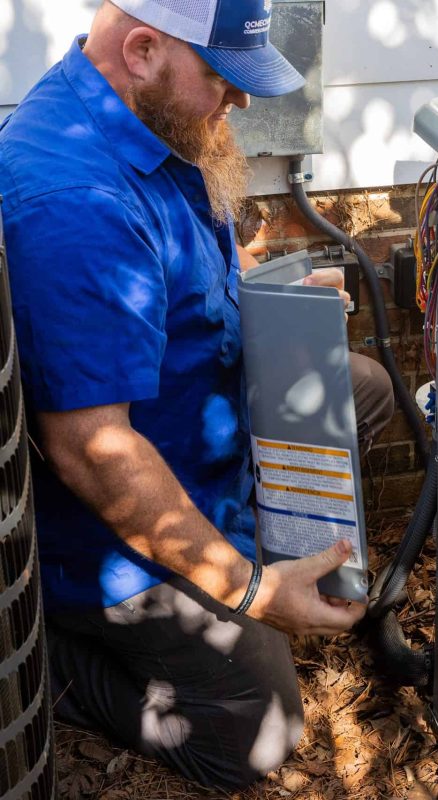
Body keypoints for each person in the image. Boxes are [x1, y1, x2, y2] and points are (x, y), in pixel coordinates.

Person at [0, 0, 394, 790]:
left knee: (366, 390)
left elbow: (175, 276)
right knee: (260, 732)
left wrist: (270, 305)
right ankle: (53, 655)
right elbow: (91, 449)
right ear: (143, 48)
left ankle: (265, 534)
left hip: (198, 429)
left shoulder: (143, 113)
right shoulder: (75, 207)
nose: (241, 101)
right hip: (108, 537)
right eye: (223, 77)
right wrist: (247, 588)